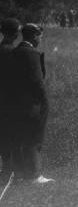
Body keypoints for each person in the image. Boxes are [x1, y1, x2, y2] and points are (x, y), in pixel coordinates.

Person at [9, 23, 54, 184]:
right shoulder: (32, 54)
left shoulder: (14, 52)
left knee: (20, 139)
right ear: (34, 36)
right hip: (32, 104)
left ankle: (20, 173)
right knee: (34, 139)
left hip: (16, 103)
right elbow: (38, 81)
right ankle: (34, 174)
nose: (41, 39)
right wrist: (44, 101)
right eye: (40, 35)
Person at [0, 18, 21, 182]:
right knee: (10, 135)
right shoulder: (11, 51)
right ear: (14, 33)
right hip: (9, 99)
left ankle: (7, 169)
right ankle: (9, 171)